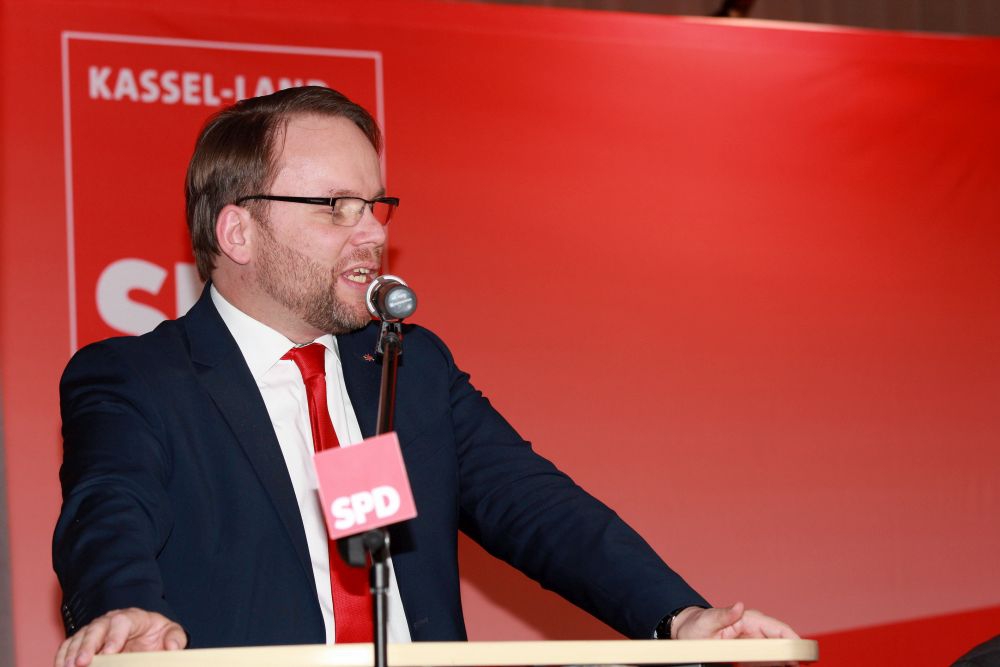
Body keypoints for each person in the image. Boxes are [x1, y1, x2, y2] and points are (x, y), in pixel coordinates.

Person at [53, 86, 797, 667]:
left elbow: (539, 509)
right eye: (337, 208)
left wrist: (677, 616)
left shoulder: (406, 369)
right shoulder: (137, 379)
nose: (374, 232)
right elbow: (109, 507)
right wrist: (121, 609)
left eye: (375, 205)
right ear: (238, 231)